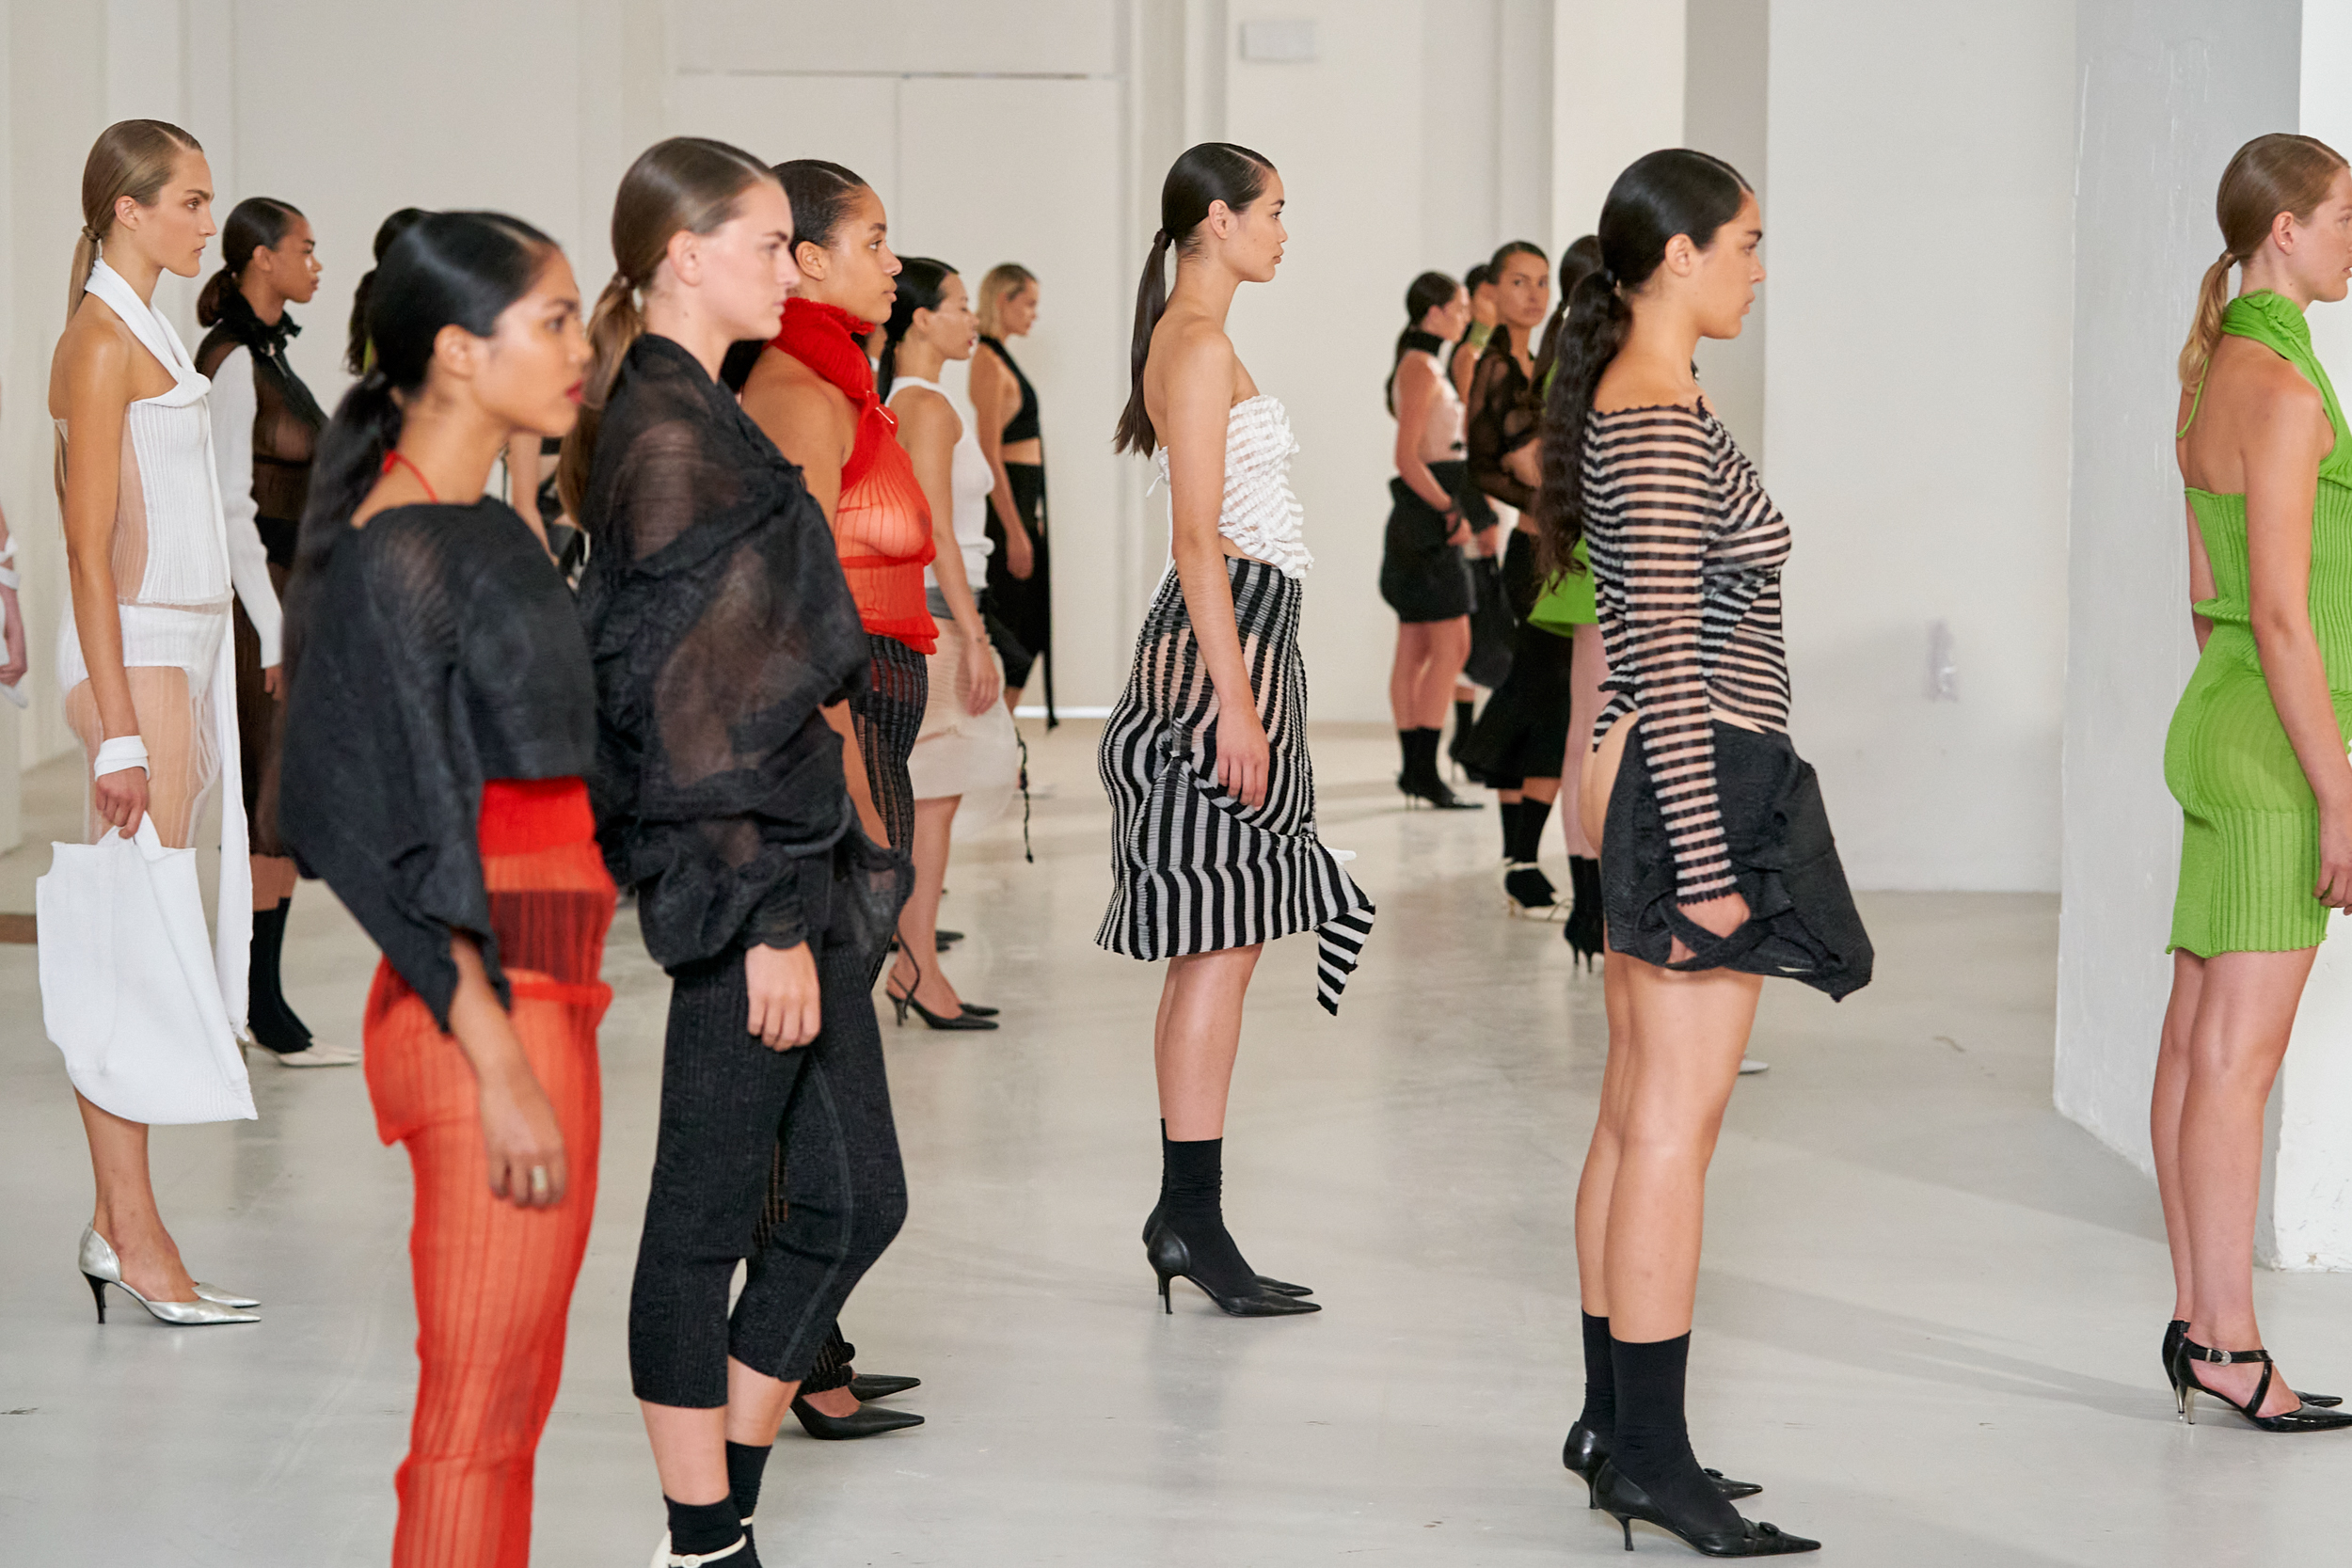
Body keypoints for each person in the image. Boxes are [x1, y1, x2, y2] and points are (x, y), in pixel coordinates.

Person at [564, 137, 911, 1568]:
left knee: (853, 1198)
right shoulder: (667, 433)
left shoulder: (700, 406)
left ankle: (724, 1510)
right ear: (684, 255)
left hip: (793, 862)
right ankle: (703, 1538)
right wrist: (767, 919)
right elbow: (686, 708)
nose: (790, 266)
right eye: (767, 243)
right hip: (744, 880)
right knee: (702, 1220)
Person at [1542, 148, 1871, 1556]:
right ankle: (1652, 1460)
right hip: (1701, 778)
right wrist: (1712, 862)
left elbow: (1633, 627)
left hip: (1667, 772)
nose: (1758, 266)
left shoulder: (1642, 400)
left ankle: (1614, 1425)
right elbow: (1673, 660)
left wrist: (1605, 771)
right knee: (1672, 1127)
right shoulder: (1657, 417)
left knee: (1636, 1114)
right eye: (1744, 241)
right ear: (1676, 256)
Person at [278, 208, 598, 1568]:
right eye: (555, 320)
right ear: (460, 351)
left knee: (512, 1408)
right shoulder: (396, 546)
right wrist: (502, 1064)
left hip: (550, 992)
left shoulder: (481, 525)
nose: (581, 348)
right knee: (474, 1419)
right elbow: (390, 835)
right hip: (486, 1015)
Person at [1103, 141, 1374, 1318]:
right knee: (1224, 938)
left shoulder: (1188, 333)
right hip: (1229, 644)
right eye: (1272, 211)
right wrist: (1238, 699)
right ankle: (1191, 1218)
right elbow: (1197, 540)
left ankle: (1188, 1215)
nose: (1282, 232)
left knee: (1222, 937)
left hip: (1240, 637)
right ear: (1216, 219)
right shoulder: (1199, 341)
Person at [2157, 132, 2352, 1435]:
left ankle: (2198, 1318)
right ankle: (2230, 1342)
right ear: (2284, 227)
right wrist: (2336, 793)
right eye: (2343, 219)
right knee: (2237, 1058)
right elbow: (2279, 613)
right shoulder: (2280, 388)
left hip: (2226, 721)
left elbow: (2206, 597)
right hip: (2281, 745)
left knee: (2194, 1040)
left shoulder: (2212, 371)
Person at [51, 119, 260, 1329]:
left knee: (143, 939)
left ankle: (115, 1223)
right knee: (128, 951)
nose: (204, 223)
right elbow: (86, 551)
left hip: (175, 656)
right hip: (138, 659)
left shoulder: (146, 328)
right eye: (188, 201)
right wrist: (122, 728)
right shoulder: (98, 339)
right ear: (128, 208)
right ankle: (135, 1235)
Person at [195, 195, 354, 1067]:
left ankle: (265, 1002)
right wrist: (274, 627)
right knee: (268, 802)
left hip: (292, 602)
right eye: (305, 249)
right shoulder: (229, 363)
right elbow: (229, 510)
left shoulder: (269, 356)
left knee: (283, 800)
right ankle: (260, 1008)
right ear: (262, 257)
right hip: (262, 609)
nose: (316, 264)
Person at [880, 257, 1017, 1029]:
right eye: (961, 306)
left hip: (937, 611)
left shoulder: (915, 400)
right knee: (930, 805)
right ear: (922, 319)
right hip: (938, 616)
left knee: (928, 800)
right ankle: (916, 969)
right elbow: (933, 531)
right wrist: (974, 632)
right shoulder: (925, 405)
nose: (974, 319)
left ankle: (914, 962)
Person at [1459, 240, 1576, 919]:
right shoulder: (1497, 365)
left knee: (1532, 700)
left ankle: (1520, 863)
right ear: (1494, 292)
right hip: (1534, 559)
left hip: (1552, 554)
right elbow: (1484, 465)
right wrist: (1543, 503)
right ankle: (1523, 864)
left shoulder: (1543, 360)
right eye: (1518, 282)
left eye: (1541, 282)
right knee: (1546, 704)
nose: (1532, 295)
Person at [1380, 270, 1479, 809]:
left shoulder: (1424, 362)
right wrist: (1448, 509)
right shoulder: (1419, 366)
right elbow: (1407, 456)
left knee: (1419, 644)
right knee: (1451, 644)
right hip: (1426, 520)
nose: (1466, 316)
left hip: (1425, 516)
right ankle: (1422, 770)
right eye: (1459, 307)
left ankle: (1417, 771)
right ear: (1434, 312)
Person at [971, 262, 1051, 718]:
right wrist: (1015, 529)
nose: (1034, 314)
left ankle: (1003, 732)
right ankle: (996, 736)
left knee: (1031, 628)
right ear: (1004, 300)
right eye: (1029, 304)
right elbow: (988, 452)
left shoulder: (1000, 358)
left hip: (1022, 503)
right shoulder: (987, 360)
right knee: (1015, 630)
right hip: (1007, 509)